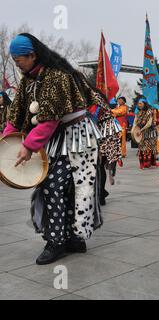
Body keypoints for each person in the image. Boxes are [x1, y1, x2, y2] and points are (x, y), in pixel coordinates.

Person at [3, 33, 120, 264]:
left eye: (20, 59)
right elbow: (16, 115)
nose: (18, 64)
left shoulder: (57, 76)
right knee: (59, 187)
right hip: (57, 137)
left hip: (78, 136)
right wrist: (5, 144)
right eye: (15, 60)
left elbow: (48, 120)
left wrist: (28, 146)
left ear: (33, 55)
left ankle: (59, 240)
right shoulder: (28, 80)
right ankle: (71, 238)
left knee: (58, 185)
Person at [135, 97, 159, 169]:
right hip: (142, 133)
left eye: (140, 103)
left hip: (150, 132)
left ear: (144, 104)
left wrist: (140, 130)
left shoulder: (149, 111)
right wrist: (135, 129)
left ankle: (150, 163)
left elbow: (149, 124)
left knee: (150, 147)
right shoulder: (138, 112)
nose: (139, 105)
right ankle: (143, 163)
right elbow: (135, 122)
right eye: (138, 103)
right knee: (141, 147)